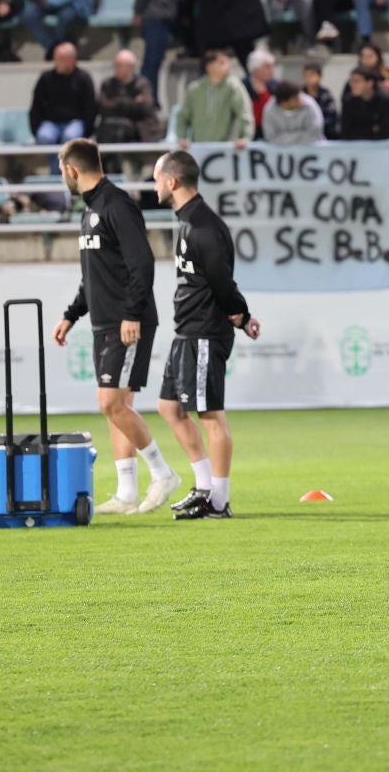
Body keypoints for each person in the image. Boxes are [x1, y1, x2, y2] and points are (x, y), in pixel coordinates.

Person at [52, 139, 180, 514]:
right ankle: (126, 492)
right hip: (104, 322)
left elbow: (142, 264)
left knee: (110, 402)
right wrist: (71, 315)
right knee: (117, 406)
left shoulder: (117, 205)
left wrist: (132, 313)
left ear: (72, 170)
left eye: (62, 171)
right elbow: (92, 277)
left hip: (127, 322)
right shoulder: (90, 210)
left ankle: (162, 473)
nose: (63, 177)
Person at [152, 149, 261, 521]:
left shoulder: (203, 227)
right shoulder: (188, 222)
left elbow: (222, 282)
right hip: (186, 331)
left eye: (156, 179)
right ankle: (203, 487)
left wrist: (242, 315)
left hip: (203, 332)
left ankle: (219, 500)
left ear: (172, 181)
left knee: (210, 416)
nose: (154, 186)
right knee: (168, 408)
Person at [174, 50, 253, 146]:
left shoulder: (234, 87)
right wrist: (181, 138)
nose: (228, 66)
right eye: (222, 63)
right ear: (209, 66)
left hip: (227, 149)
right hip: (199, 149)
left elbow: (244, 114)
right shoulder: (194, 89)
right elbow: (183, 117)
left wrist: (246, 138)